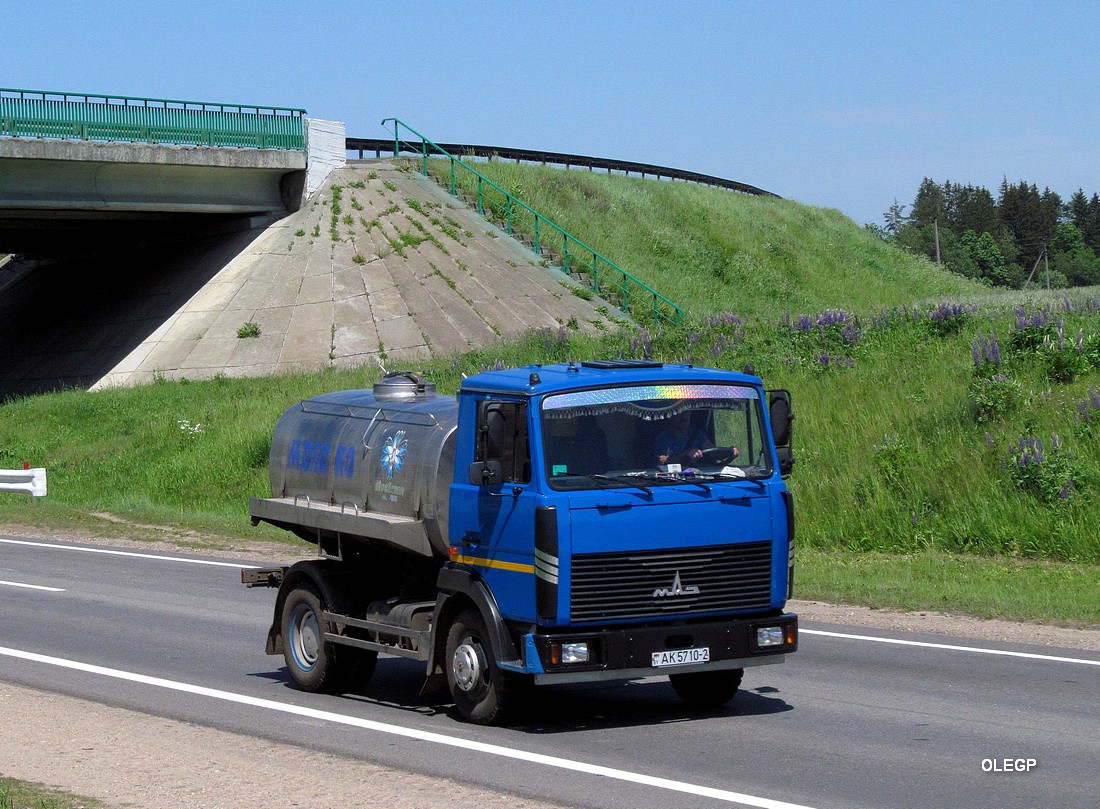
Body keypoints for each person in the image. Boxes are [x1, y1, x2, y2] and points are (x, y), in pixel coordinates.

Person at [653, 408, 738, 466]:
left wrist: (729, 452)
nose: (684, 417)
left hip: (698, 476)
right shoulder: (664, 438)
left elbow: (713, 452)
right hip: (673, 480)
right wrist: (686, 454)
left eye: (687, 413)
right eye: (680, 413)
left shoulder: (697, 435)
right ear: (672, 415)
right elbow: (665, 461)